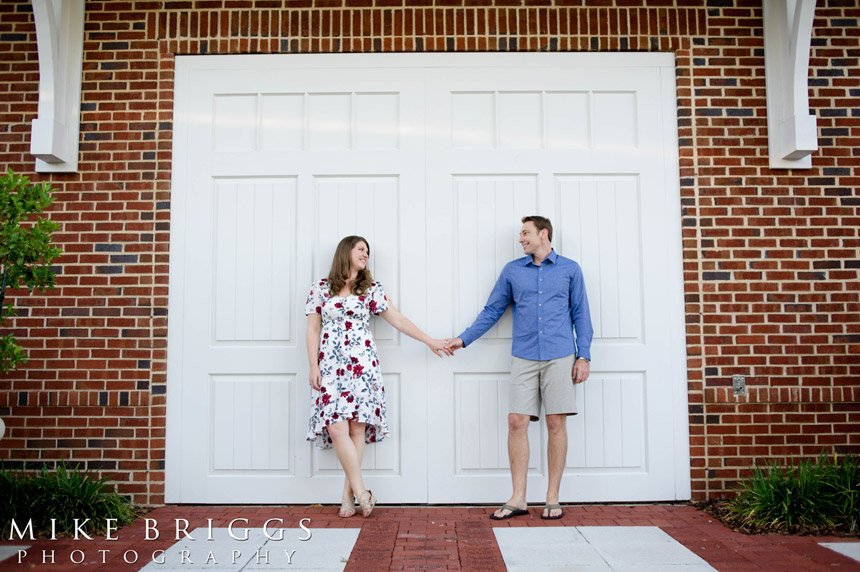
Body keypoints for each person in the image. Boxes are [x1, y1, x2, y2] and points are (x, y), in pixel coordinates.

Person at [445, 216, 593, 520]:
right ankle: (518, 498)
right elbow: (492, 311)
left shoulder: (570, 270)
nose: (521, 239)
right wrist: (463, 340)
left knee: (556, 423)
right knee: (516, 421)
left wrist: (584, 356)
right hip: (524, 355)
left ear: (544, 234)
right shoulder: (512, 272)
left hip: (560, 354)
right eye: (520, 234)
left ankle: (552, 497)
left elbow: (581, 315)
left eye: (525, 233)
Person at [305, 235, 451, 518]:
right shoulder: (320, 289)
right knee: (337, 428)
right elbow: (312, 330)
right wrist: (313, 366)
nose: (366, 255)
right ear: (345, 251)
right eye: (361, 249)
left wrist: (428, 340)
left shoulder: (370, 289)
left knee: (357, 429)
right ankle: (362, 491)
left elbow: (397, 319)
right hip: (331, 367)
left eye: (368, 252)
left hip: (362, 365)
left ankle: (347, 496)